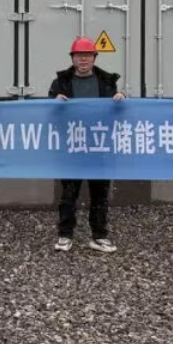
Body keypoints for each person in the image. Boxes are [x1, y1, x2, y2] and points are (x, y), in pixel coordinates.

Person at [49, 36, 125, 254]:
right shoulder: (61, 82)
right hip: (72, 146)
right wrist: (54, 102)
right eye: (79, 56)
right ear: (72, 58)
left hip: (98, 146)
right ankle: (65, 235)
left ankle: (99, 235)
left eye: (87, 55)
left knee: (99, 194)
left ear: (94, 58)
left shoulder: (106, 81)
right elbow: (49, 109)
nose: (83, 59)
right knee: (68, 194)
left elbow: (117, 110)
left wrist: (121, 97)